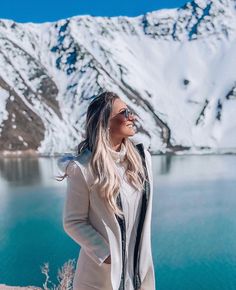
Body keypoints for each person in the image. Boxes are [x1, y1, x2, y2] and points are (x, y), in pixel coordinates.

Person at [57, 91, 156, 290]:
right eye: (124, 112)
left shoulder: (142, 159)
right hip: (98, 279)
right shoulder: (84, 169)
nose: (132, 117)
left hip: (138, 274)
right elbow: (73, 222)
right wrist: (107, 254)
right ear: (106, 122)